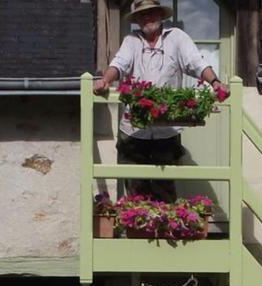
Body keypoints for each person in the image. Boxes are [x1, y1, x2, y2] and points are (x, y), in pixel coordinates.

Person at [93, 0, 229, 201]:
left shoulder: (177, 38)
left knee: (164, 192)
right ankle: (137, 232)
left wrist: (215, 82)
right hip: (133, 130)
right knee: (135, 192)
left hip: (166, 131)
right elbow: (119, 64)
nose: (147, 17)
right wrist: (105, 80)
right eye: (142, 14)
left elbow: (196, 62)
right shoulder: (131, 40)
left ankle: (164, 231)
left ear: (160, 14)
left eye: (151, 12)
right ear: (137, 20)